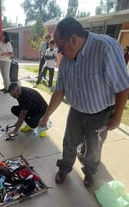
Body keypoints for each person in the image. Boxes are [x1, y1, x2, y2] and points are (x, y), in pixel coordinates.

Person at [39, 17, 129, 188]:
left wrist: (117, 117)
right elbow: (60, 90)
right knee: (69, 142)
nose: (59, 52)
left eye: (60, 46)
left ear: (73, 39)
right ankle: (64, 168)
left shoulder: (105, 48)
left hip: (100, 114)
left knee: (93, 148)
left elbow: (123, 86)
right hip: (76, 110)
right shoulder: (66, 59)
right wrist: (46, 116)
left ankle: (89, 172)